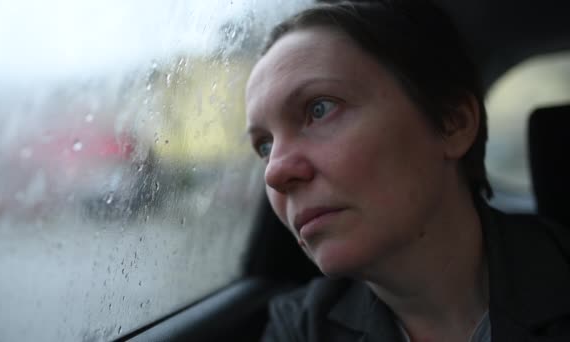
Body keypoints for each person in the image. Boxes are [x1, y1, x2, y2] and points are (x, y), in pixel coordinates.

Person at [244, 0, 570, 341]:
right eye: (264, 146)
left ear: (453, 123)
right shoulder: (300, 328)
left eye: (320, 108)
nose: (275, 173)